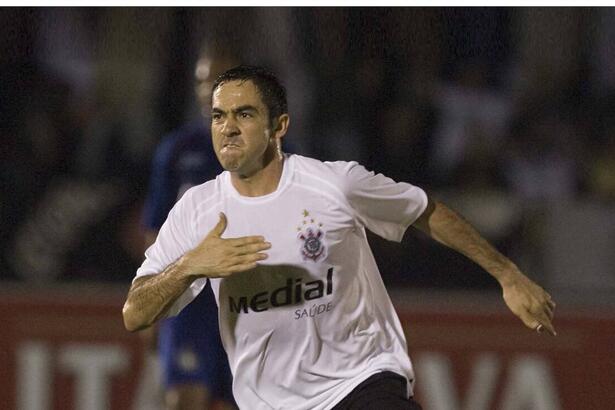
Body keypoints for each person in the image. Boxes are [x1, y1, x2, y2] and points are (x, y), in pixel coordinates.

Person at [123, 65, 556, 410]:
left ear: (280, 126)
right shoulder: (197, 210)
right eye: (219, 116)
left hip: (362, 381)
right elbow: (134, 312)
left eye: (245, 114)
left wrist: (508, 275)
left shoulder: (334, 185)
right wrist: (191, 266)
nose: (228, 127)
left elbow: (426, 212)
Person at [137, 52, 238, 410]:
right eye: (201, 81)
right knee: (184, 399)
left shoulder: (273, 151)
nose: (207, 90)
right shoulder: (177, 150)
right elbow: (155, 231)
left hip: (247, 300)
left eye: (217, 79)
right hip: (189, 300)